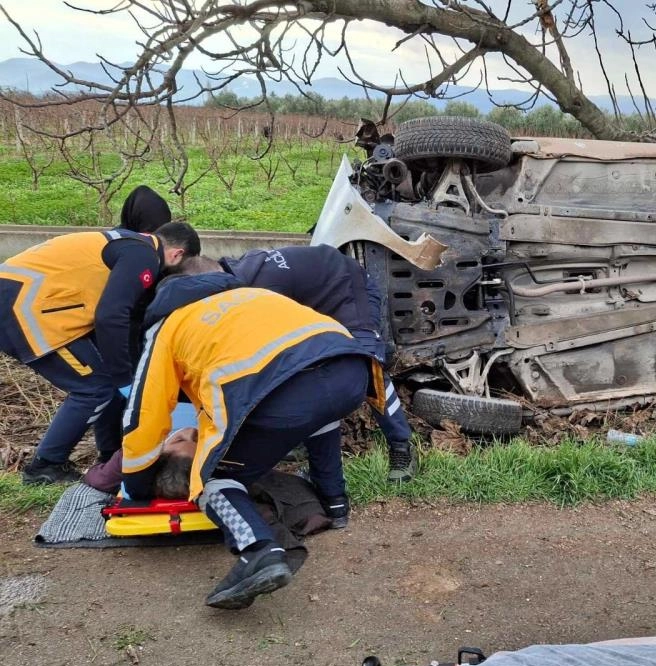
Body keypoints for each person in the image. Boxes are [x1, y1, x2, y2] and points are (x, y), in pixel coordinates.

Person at [120, 270, 384, 609]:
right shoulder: (248, 295)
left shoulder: (167, 327)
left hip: (281, 388)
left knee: (212, 477)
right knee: (320, 415)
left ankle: (258, 550)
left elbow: (143, 412)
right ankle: (334, 502)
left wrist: (137, 485)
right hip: (351, 369)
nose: (181, 433)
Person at [0, 223, 201, 484]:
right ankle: (44, 466)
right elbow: (110, 316)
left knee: (102, 384)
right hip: (26, 308)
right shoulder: (144, 256)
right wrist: (124, 380)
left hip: (31, 302)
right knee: (96, 388)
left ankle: (106, 453)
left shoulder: (130, 244)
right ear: (177, 254)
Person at [215, 246, 417, 483]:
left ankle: (401, 447)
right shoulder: (240, 276)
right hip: (315, 305)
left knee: (367, 364)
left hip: (349, 290)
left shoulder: (259, 290)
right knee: (303, 373)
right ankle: (317, 465)